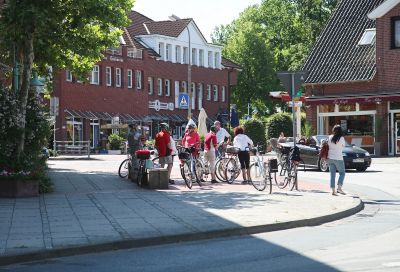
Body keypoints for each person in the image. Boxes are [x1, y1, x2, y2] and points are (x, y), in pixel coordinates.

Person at [327, 125, 346, 196]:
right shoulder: (341, 138)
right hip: (338, 158)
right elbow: (343, 146)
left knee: (332, 175)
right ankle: (339, 188)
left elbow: (328, 145)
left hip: (330, 158)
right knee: (342, 173)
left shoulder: (330, 137)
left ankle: (333, 190)